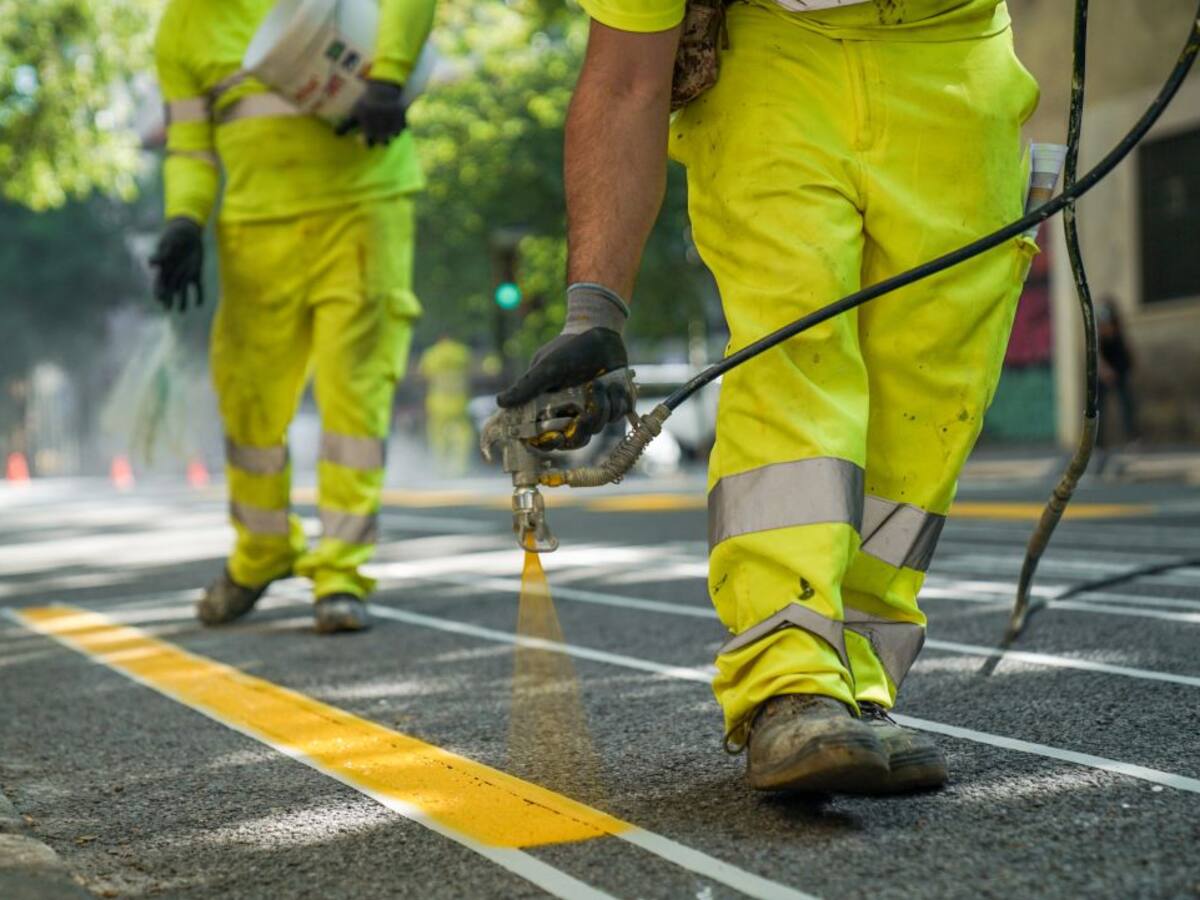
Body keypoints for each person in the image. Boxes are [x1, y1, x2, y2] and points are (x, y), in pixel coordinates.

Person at [498, 0, 1040, 793]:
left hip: (958, 61)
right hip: (772, 60)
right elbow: (624, 79)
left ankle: (856, 675)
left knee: (930, 394)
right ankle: (789, 678)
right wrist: (595, 310)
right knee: (795, 347)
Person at [150, 0, 434, 634]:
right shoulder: (182, 26)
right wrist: (183, 220)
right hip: (255, 231)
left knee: (353, 399)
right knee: (249, 404)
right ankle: (262, 553)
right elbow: (190, 148)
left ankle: (340, 573)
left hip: (363, 211)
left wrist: (388, 77)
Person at [418, 335, 474, 476]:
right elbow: (470, 370)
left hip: (438, 401)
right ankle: (460, 467)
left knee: (438, 435)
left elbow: (423, 374)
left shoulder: (431, 354)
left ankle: (441, 467)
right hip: (459, 400)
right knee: (462, 435)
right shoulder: (462, 352)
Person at [1097, 299, 1139, 449]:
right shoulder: (1099, 339)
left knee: (1127, 402)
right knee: (1097, 406)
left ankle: (1132, 437)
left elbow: (1127, 357)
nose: (1104, 328)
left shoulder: (1119, 337)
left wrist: (1117, 372)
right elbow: (1098, 357)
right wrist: (1104, 371)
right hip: (1105, 373)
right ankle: (1098, 441)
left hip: (1120, 370)